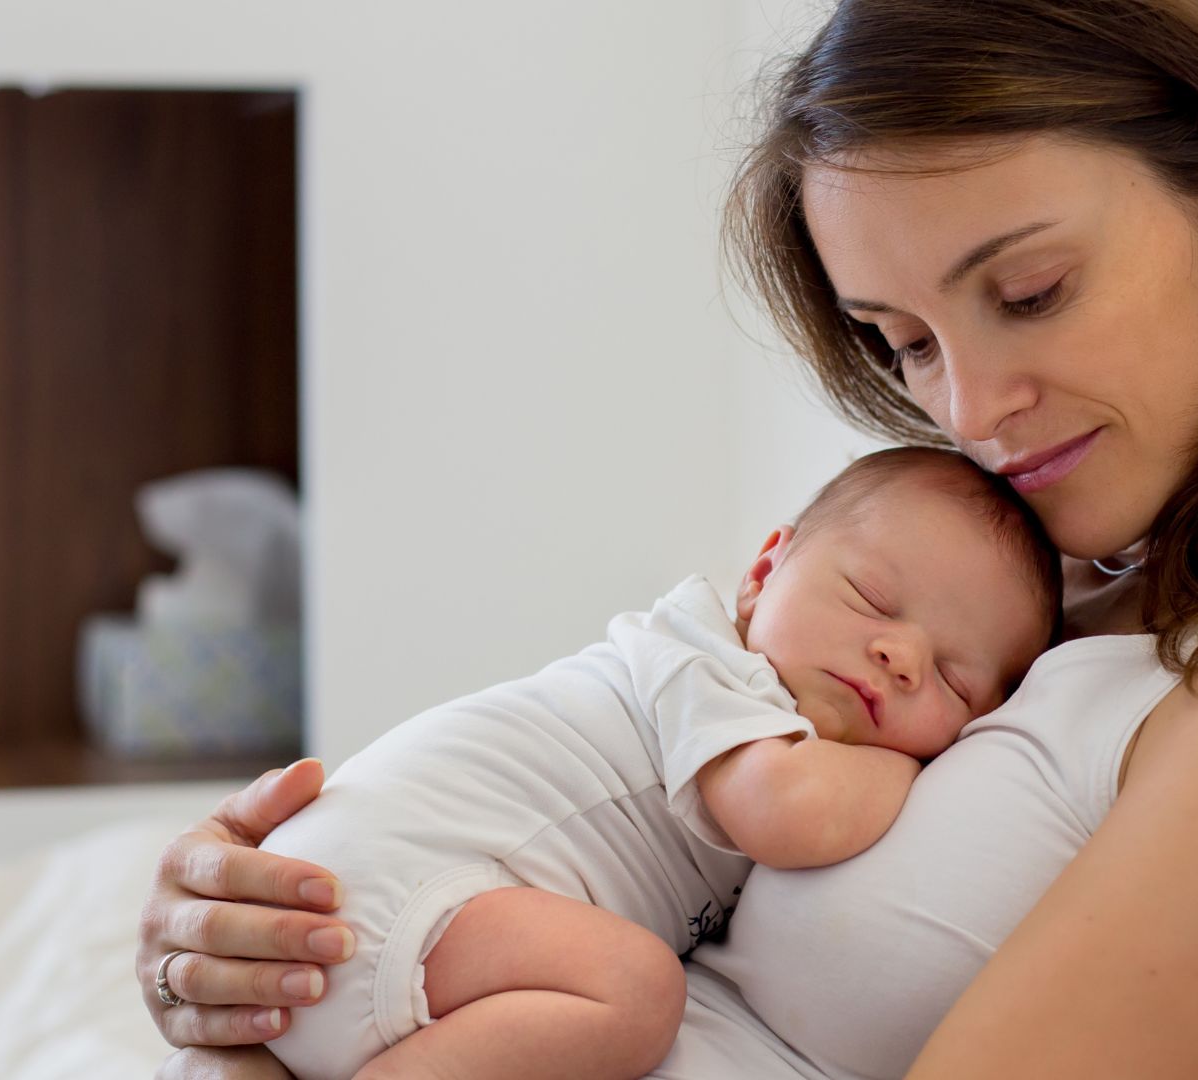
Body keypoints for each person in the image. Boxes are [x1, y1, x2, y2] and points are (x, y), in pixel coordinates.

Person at [136, 1, 1198, 1077]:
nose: (973, 409)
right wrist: (254, 945)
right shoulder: (1004, 581)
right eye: (903, 343)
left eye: (1033, 288)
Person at [251, 447, 1056, 1080]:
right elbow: (788, 813)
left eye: (955, 678)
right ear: (763, 571)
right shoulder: (705, 661)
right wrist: (911, 769)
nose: (900, 654)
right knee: (637, 992)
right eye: (873, 600)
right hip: (378, 897)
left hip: (386, 947)